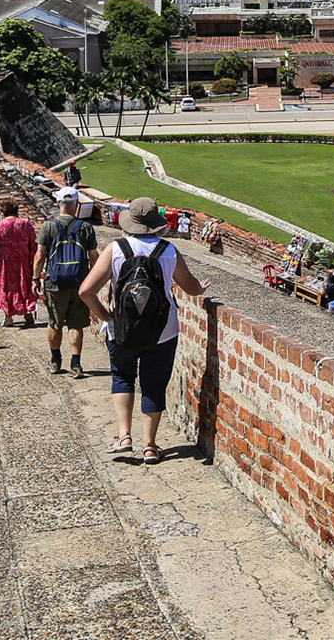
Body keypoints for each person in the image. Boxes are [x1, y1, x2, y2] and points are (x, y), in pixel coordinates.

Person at [78, 197, 204, 465]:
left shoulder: (116, 248)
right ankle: (150, 445)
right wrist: (201, 289)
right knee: (153, 384)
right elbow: (190, 286)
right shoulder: (168, 251)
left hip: (122, 328)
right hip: (163, 330)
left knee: (122, 376)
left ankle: (124, 435)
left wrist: (103, 315)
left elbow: (85, 290)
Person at [36, 187, 99, 377]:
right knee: (76, 324)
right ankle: (76, 364)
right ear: (76, 205)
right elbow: (94, 257)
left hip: (55, 282)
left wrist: (35, 278)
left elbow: (40, 255)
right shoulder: (85, 227)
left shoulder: (49, 226)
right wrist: (92, 281)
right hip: (79, 281)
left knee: (55, 322)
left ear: (58, 204)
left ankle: (55, 361)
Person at [0, 198, 39, 328]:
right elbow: (33, 246)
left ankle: (8, 317)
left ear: (3, 212)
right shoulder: (26, 225)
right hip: (22, 263)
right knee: (24, 286)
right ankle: (28, 310)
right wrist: (33, 262)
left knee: (5, 289)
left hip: (4, 264)